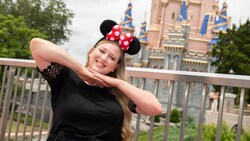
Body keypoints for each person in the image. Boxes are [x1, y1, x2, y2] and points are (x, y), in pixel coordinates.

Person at [30, 19, 162, 141]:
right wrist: (80, 69)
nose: (104, 58)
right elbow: (37, 45)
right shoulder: (65, 77)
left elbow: (154, 108)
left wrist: (118, 82)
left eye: (112, 58)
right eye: (101, 51)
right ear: (91, 52)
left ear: (115, 66)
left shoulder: (119, 93)